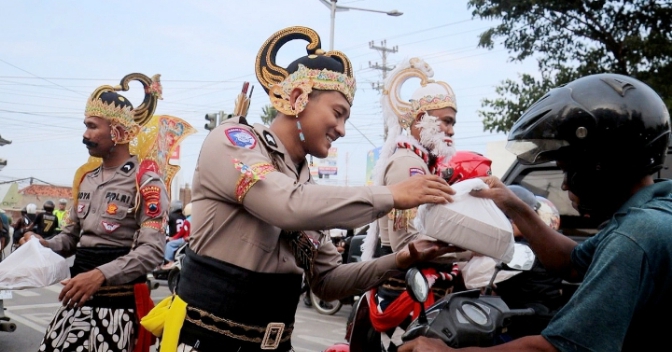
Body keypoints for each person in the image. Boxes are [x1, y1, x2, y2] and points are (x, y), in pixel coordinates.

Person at [141, 26, 459, 352]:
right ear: (296, 99)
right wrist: (393, 195)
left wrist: (401, 259)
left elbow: (327, 281)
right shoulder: (234, 141)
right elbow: (286, 205)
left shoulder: (307, 190)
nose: (342, 129)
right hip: (207, 342)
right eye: (338, 114)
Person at [399, 73, 672, 352]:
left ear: (601, 165)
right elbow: (572, 262)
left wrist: (445, 351)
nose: (564, 183)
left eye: (568, 170)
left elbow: (556, 349)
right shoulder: (653, 212)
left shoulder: (636, 237)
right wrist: (515, 205)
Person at [21, 73, 194, 352]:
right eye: (85, 126)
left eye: (92, 127)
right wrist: (42, 245)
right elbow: (69, 238)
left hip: (117, 311)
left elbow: (151, 250)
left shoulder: (145, 181)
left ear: (118, 131)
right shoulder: (86, 178)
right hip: (75, 303)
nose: (85, 135)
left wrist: (99, 274)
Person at [162, 201, 191, 269]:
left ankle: (168, 261)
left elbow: (164, 227)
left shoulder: (170, 216)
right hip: (183, 239)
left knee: (166, 244)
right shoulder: (184, 217)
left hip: (176, 238)